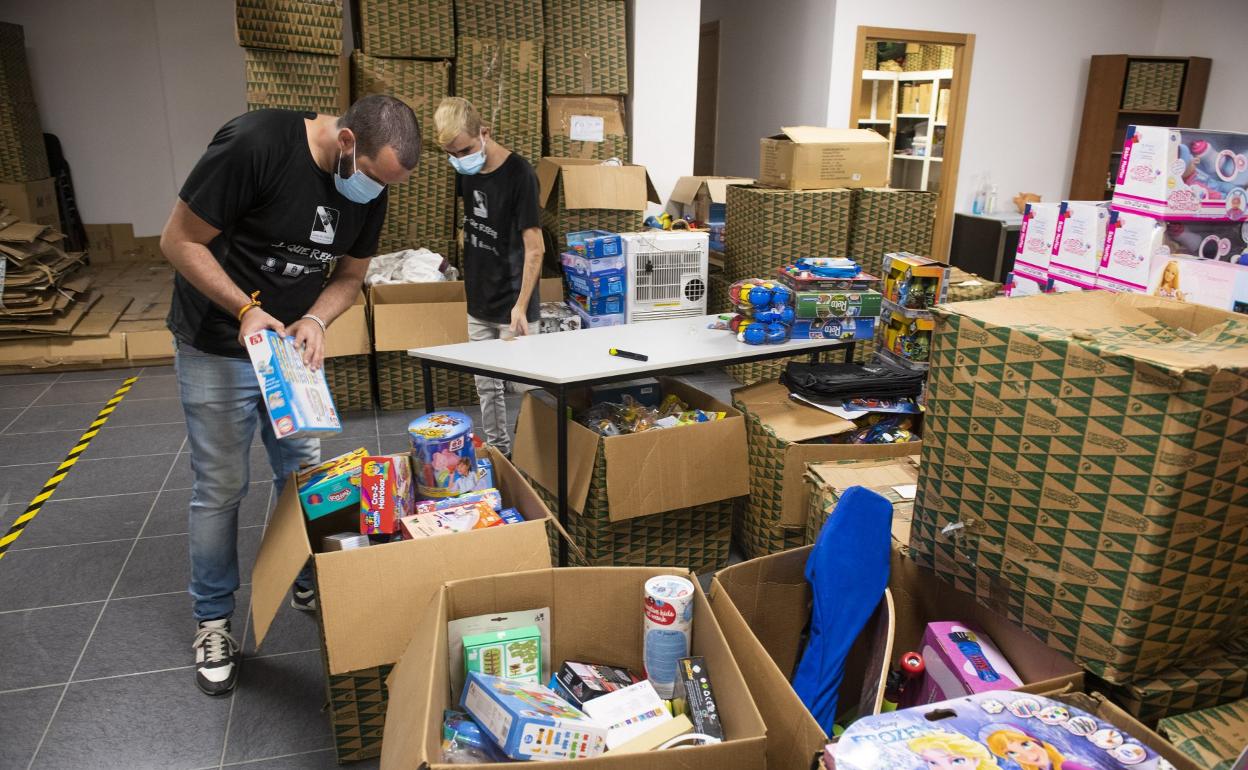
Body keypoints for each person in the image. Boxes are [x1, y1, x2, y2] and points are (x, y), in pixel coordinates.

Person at [160, 95, 420, 696]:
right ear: (347, 140)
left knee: (306, 473)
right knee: (222, 486)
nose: (378, 193)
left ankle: (305, 575)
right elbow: (178, 241)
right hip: (218, 342)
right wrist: (246, 309)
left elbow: (351, 277)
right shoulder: (257, 145)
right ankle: (215, 620)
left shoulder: (371, 187)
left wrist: (319, 319)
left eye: (390, 186)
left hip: (288, 352)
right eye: (377, 179)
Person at [433, 96, 543, 456]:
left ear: (485, 132)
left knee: (530, 387)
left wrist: (521, 307)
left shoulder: (519, 174)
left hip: (515, 302)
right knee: (487, 386)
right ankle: (500, 451)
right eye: (452, 153)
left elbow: (535, 248)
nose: (460, 159)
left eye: (465, 149)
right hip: (478, 298)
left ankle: (535, 454)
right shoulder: (465, 171)